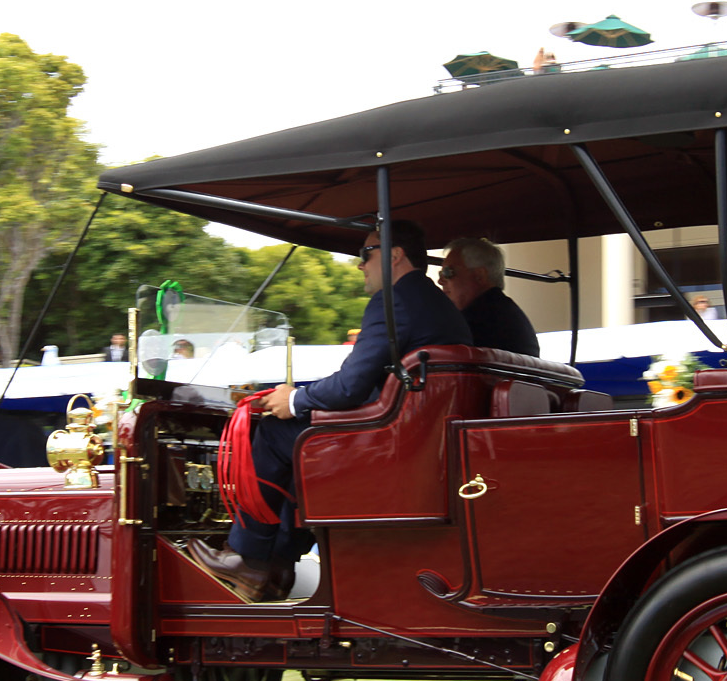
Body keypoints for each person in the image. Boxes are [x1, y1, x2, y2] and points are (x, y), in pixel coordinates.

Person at [186, 219, 472, 601]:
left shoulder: (395, 301)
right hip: (419, 437)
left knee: (271, 435)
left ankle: (250, 557)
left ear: (394, 255)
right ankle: (280, 563)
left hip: (391, 443)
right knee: (294, 437)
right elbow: (362, 382)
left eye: (365, 254)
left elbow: (351, 385)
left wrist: (292, 400)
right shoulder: (438, 304)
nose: (360, 265)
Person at [439, 236, 539, 355]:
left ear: (479, 275)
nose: (440, 281)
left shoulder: (478, 321)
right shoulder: (503, 311)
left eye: (448, 272)